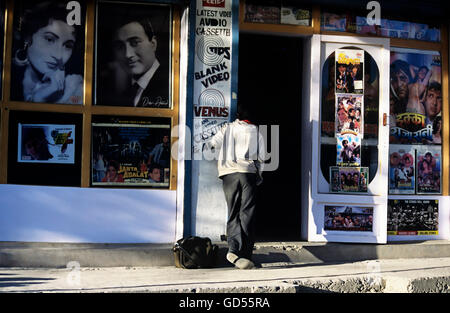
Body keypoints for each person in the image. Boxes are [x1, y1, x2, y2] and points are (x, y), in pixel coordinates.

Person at [205, 105, 265, 270]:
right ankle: (245, 255)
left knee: (233, 212)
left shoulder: (227, 128)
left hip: (229, 174)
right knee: (247, 214)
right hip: (248, 174)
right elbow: (262, 157)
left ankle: (233, 249)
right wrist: (259, 176)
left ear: (237, 116)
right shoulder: (257, 131)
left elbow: (212, 144)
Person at [11, 1, 84, 104]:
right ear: (27, 38)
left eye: (68, 46)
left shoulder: (75, 89)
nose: (58, 55)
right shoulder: (7, 80)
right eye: (49, 39)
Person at [99, 14, 169, 107]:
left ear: (153, 44)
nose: (127, 54)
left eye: (134, 43)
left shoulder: (170, 86)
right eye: (120, 46)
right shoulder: (122, 92)